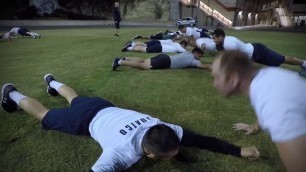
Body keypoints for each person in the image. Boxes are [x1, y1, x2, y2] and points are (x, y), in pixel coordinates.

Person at [1, 74, 260, 171]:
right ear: (148, 154)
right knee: (44, 115)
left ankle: (52, 82)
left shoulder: (165, 127)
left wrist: (239, 151)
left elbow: (203, 141)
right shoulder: (120, 154)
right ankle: (11, 93)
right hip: (85, 119)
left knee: (75, 97)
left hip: (103, 106)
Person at [211, 50, 306, 172]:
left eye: (217, 77)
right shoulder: (264, 78)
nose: (214, 84)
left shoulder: (273, 104)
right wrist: (255, 127)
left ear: (233, 78)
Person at [211, 29, 306, 76]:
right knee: (279, 61)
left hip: (258, 52)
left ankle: (304, 63)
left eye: (215, 38)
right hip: (255, 53)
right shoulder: (225, 42)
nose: (214, 40)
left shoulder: (229, 43)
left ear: (221, 37)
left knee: (281, 59)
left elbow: (237, 59)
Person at [113, 47, 211, 71]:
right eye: (200, 56)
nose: (200, 58)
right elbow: (202, 65)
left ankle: (125, 58)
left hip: (164, 56)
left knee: (144, 60)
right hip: (166, 61)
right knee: (144, 66)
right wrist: (212, 67)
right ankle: (120, 62)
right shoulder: (193, 60)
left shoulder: (187, 52)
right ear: (196, 53)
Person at [121, 39, 187, 53]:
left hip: (159, 46)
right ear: (183, 45)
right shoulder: (179, 46)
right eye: (185, 46)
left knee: (144, 46)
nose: (184, 48)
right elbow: (183, 51)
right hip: (160, 48)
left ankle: (131, 45)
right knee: (144, 49)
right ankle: (129, 47)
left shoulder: (175, 44)